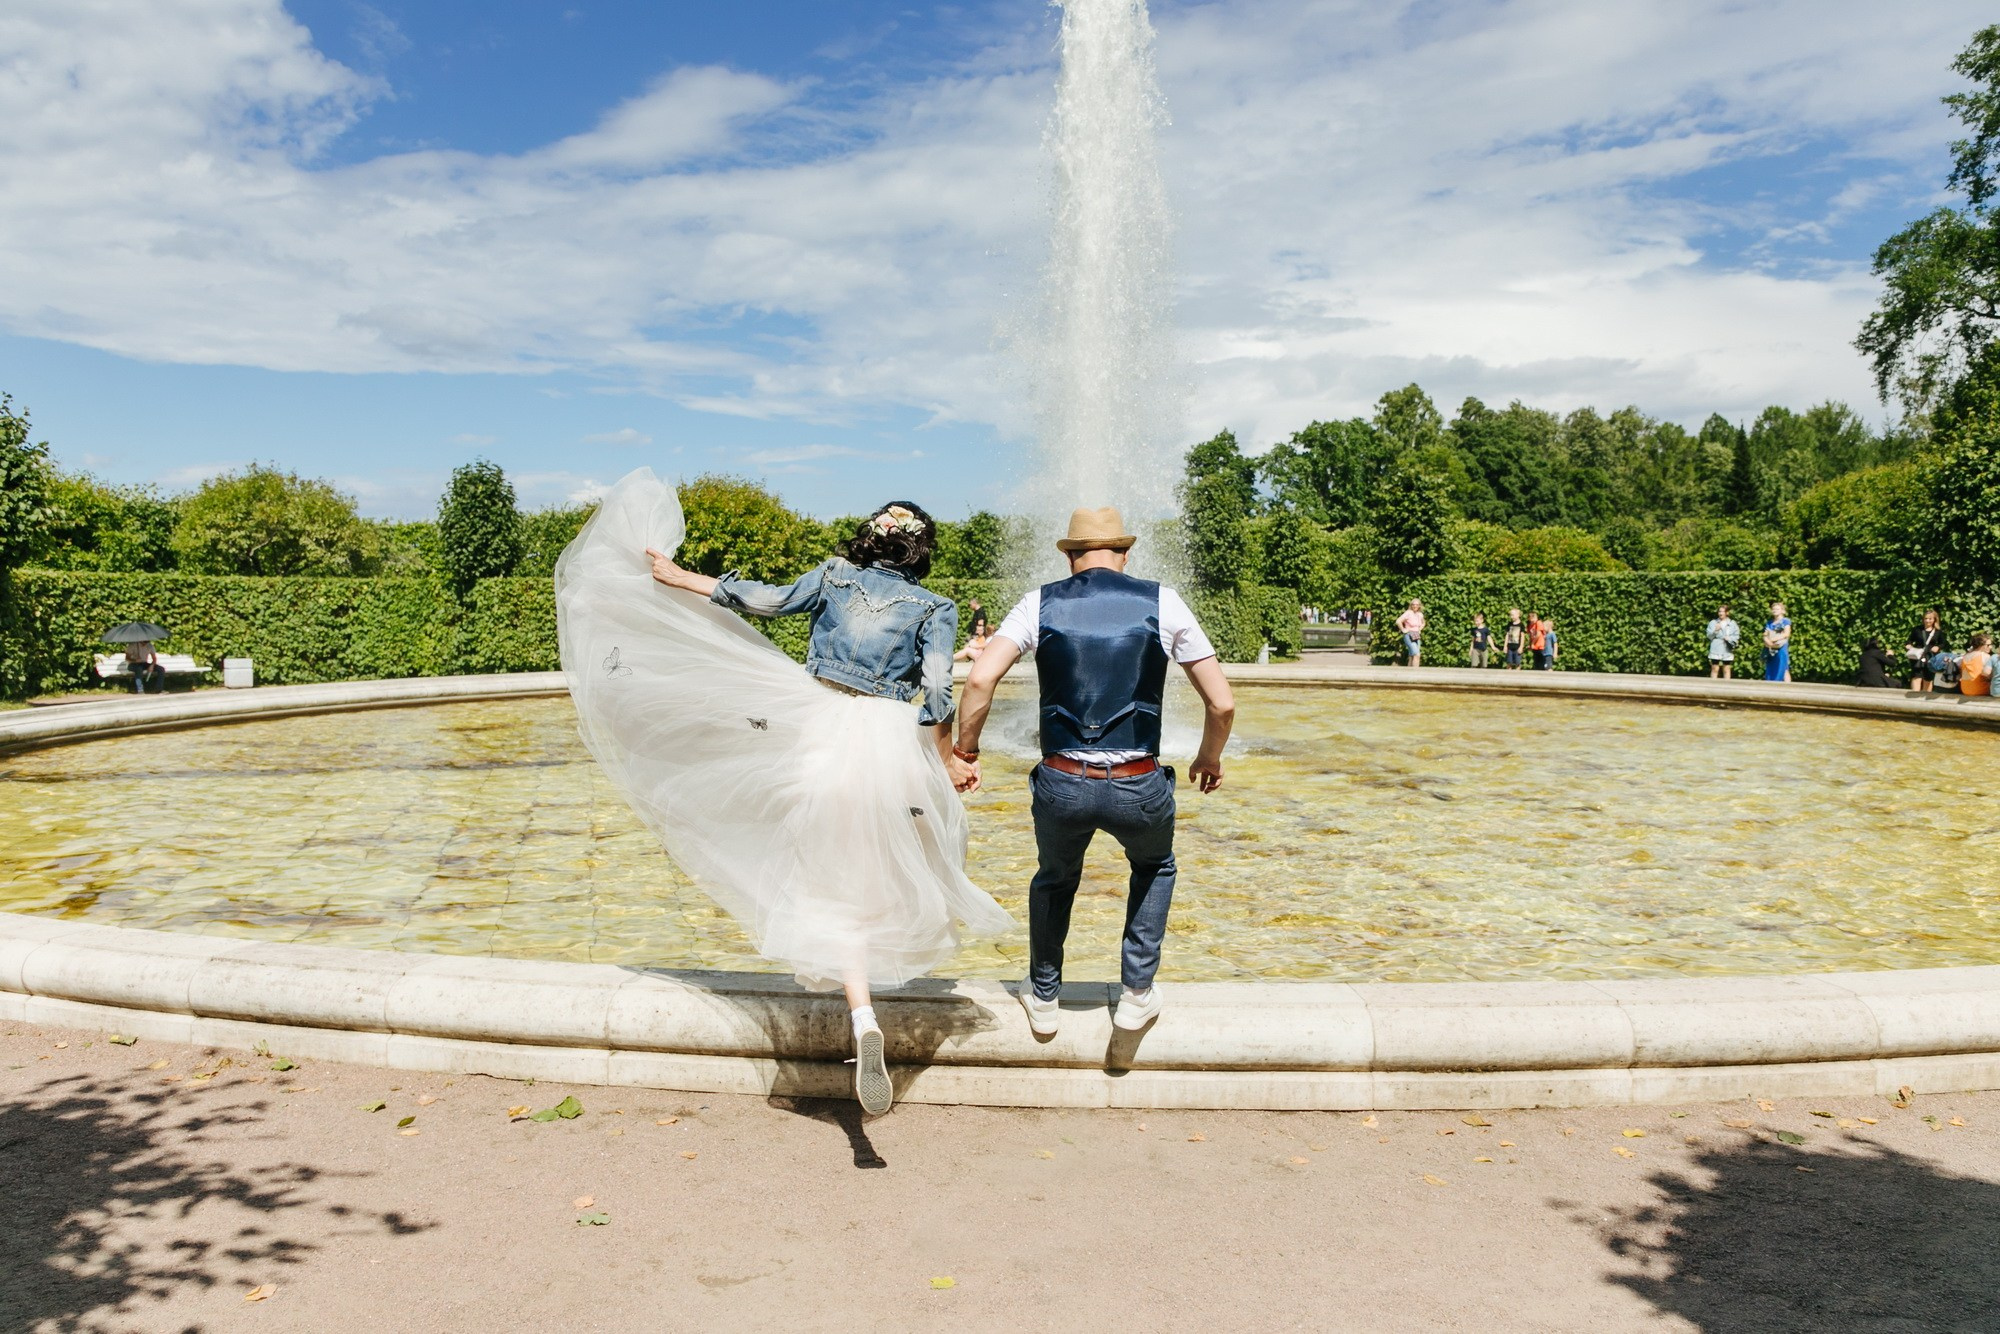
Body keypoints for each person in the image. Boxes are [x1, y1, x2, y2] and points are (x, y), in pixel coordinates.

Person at [554, 470, 1013, 1117]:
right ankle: (870, 1010)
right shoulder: (935, 609)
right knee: (888, 872)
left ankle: (862, 1019)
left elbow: (765, 602)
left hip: (819, 728)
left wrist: (683, 578)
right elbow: (938, 694)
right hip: (886, 741)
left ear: (869, 540)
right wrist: (950, 759)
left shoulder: (831, 576)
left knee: (823, 879)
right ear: (919, 550)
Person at [954, 506, 1235, 1037]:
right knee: (1154, 867)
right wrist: (1208, 756)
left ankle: (1043, 996)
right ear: (1125, 555)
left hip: (1062, 779)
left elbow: (978, 681)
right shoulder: (1162, 601)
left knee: (1055, 879)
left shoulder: (1038, 603)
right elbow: (1221, 704)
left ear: (1069, 556)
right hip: (1137, 780)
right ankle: (1135, 994)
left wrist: (965, 752)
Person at [1907, 610, 1947, 693]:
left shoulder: (1938, 631)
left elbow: (1943, 643)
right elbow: (1909, 641)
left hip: (1930, 657)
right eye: (1925, 618)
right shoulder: (1917, 629)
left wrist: (1938, 647)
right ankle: (1914, 697)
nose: (1927, 621)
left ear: (1934, 619)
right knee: (1916, 677)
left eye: (1930, 619)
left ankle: (1925, 699)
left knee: (1928, 679)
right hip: (1918, 657)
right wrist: (1909, 646)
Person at [1705, 605, 1740, 679]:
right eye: (1719, 611)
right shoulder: (1713, 622)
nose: (1720, 613)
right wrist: (1716, 630)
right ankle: (1713, 686)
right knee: (1715, 668)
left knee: (1726, 668)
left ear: (1727, 613)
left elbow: (1736, 635)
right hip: (1716, 647)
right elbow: (1709, 636)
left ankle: (1727, 687)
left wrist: (1729, 638)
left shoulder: (1732, 623)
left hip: (1727, 648)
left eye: (1723, 612)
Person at [1762, 603, 1792, 683]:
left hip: (1781, 648)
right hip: (1770, 648)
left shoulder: (1786, 621)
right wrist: (1769, 643)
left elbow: (1786, 634)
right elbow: (1765, 635)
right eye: (1773, 609)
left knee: (1783, 667)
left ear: (1782, 611)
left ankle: (1788, 688)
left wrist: (1773, 639)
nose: (1775, 611)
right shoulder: (1769, 622)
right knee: (1771, 666)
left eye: (1777, 609)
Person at [1396, 599, 1425, 667]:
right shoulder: (1408, 613)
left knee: (1412, 656)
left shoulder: (1420, 614)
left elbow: (1423, 623)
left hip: (1416, 635)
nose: (1415, 606)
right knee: (1416, 655)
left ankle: (1408, 674)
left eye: (1417, 604)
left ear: (1419, 606)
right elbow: (1398, 621)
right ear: (1411, 605)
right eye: (1413, 604)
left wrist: (1419, 629)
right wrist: (1403, 629)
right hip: (1409, 635)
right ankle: (1415, 675)